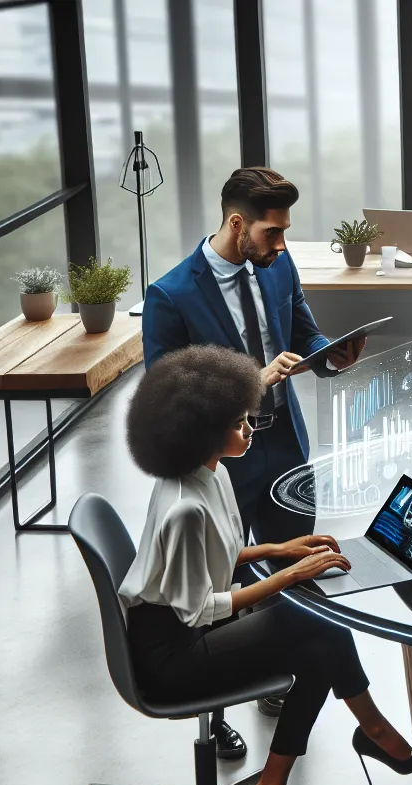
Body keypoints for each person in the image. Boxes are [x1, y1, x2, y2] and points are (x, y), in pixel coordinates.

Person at [117, 346, 412, 785]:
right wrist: (291, 574)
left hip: (187, 626)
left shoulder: (211, 473)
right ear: (201, 432)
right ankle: (374, 734)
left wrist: (278, 549)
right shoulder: (184, 508)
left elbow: (220, 554)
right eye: (238, 423)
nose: (250, 429)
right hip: (171, 655)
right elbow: (200, 609)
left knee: (318, 645)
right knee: (315, 625)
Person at [143, 167, 367, 735]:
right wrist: (251, 382)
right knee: (216, 581)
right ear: (238, 224)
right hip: (222, 460)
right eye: (273, 232)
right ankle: (212, 712)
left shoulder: (278, 266)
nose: (282, 244)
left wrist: (329, 353)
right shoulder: (171, 295)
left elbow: (304, 332)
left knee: (292, 564)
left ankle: (279, 674)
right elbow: (165, 398)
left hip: (286, 442)